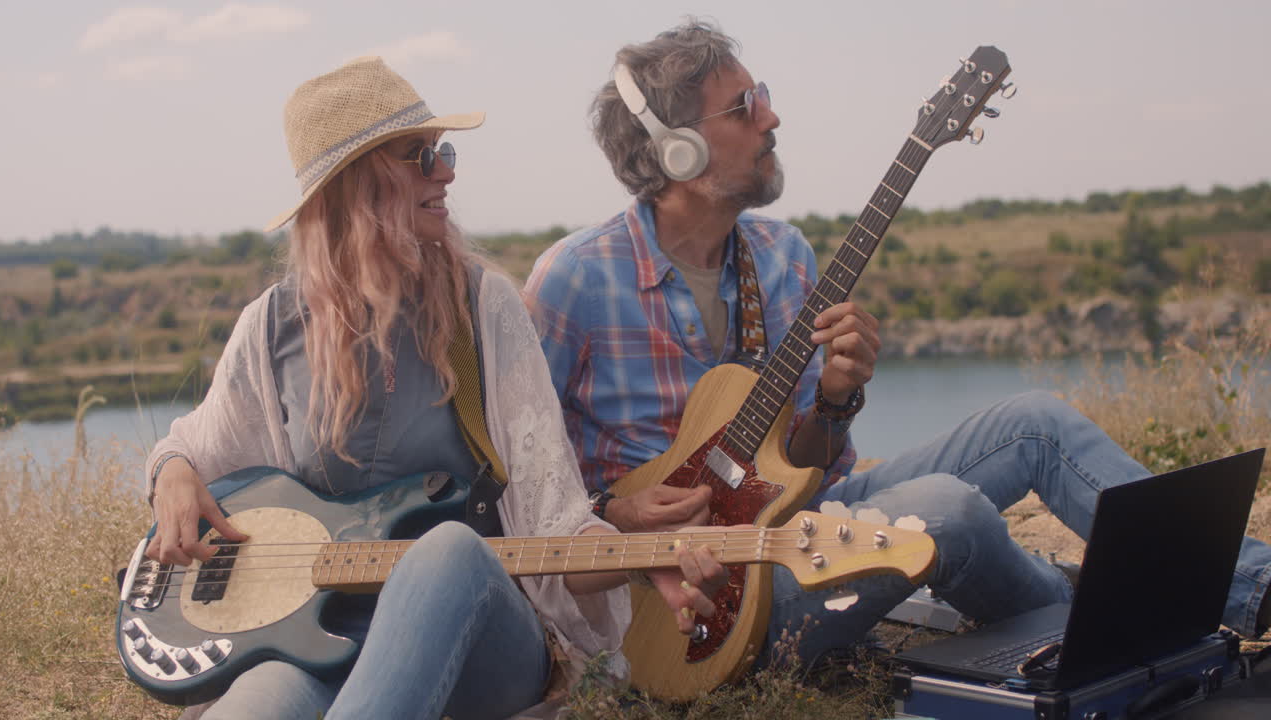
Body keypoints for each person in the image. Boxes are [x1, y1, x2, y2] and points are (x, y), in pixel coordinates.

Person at [523, 20, 1271, 673]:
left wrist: (838, 399)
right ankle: (1108, 612)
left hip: (802, 521)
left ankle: (1253, 589)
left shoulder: (782, 257)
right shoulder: (576, 279)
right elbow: (518, 483)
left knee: (1038, 421)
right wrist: (614, 516)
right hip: (689, 600)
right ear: (678, 150)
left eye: (764, 94)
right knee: (945, 509)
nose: (772, 116)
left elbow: (809, 467)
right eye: (745, 106)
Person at [142, 56, 725, 720]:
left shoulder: (483, 309)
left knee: (449, 550)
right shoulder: (271, 328)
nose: (447, 171)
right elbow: (198, 444)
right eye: (420, 157)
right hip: (315, 643)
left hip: (481, 640)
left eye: (441, 152)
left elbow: (555, 524)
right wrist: (173, 472)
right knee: (254, 707)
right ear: (353, 186)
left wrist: (642, 558)